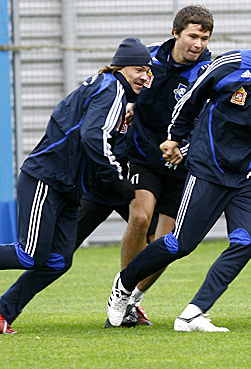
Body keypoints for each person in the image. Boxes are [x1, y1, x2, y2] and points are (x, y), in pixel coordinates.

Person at [106, 17, 251, 332]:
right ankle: (123, 286)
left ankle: (192, 314)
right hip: (208, 170)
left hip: (248, 179)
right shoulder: (230, 66)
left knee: (246, 241)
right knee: (179, 245)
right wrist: (174, 138)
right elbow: (190, 101)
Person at [0, 37, 151, 334]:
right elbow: (93, 136)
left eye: (147, 71)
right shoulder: (111, 89)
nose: (144, 76)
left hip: (69, 188)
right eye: (138, 69)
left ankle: (3, 311)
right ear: (120, 68)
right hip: (46, 179)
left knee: (57, 261)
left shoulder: (111, 89)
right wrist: (116, 180)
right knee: (29, 254)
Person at [114, 5, 214, 327]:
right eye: (193, 36)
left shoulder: (207, 72)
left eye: (204, 38)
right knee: (140, 215)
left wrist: (184, 149)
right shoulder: (150, 59)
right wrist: (129, 104)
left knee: (167, 244)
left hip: (182, 165)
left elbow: (207, 120)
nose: (198, 44)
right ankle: (121, 293)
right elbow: (124, 86)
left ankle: (133, 299)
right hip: (142, 156)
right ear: (176, 33)